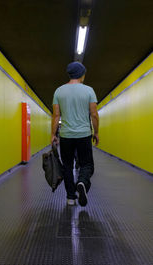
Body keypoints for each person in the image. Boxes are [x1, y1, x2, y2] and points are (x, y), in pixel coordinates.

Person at [51, 61, 99, 207]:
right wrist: (95, 132)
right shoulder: (89, 90)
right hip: (84, 134)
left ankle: (70, 197)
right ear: (81, 74)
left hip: (66, 136)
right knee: (87, 164)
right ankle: (82, 182)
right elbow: (94, 115)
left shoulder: (58, 91)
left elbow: (56, 116)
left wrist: (53, 134)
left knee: (67, 166)